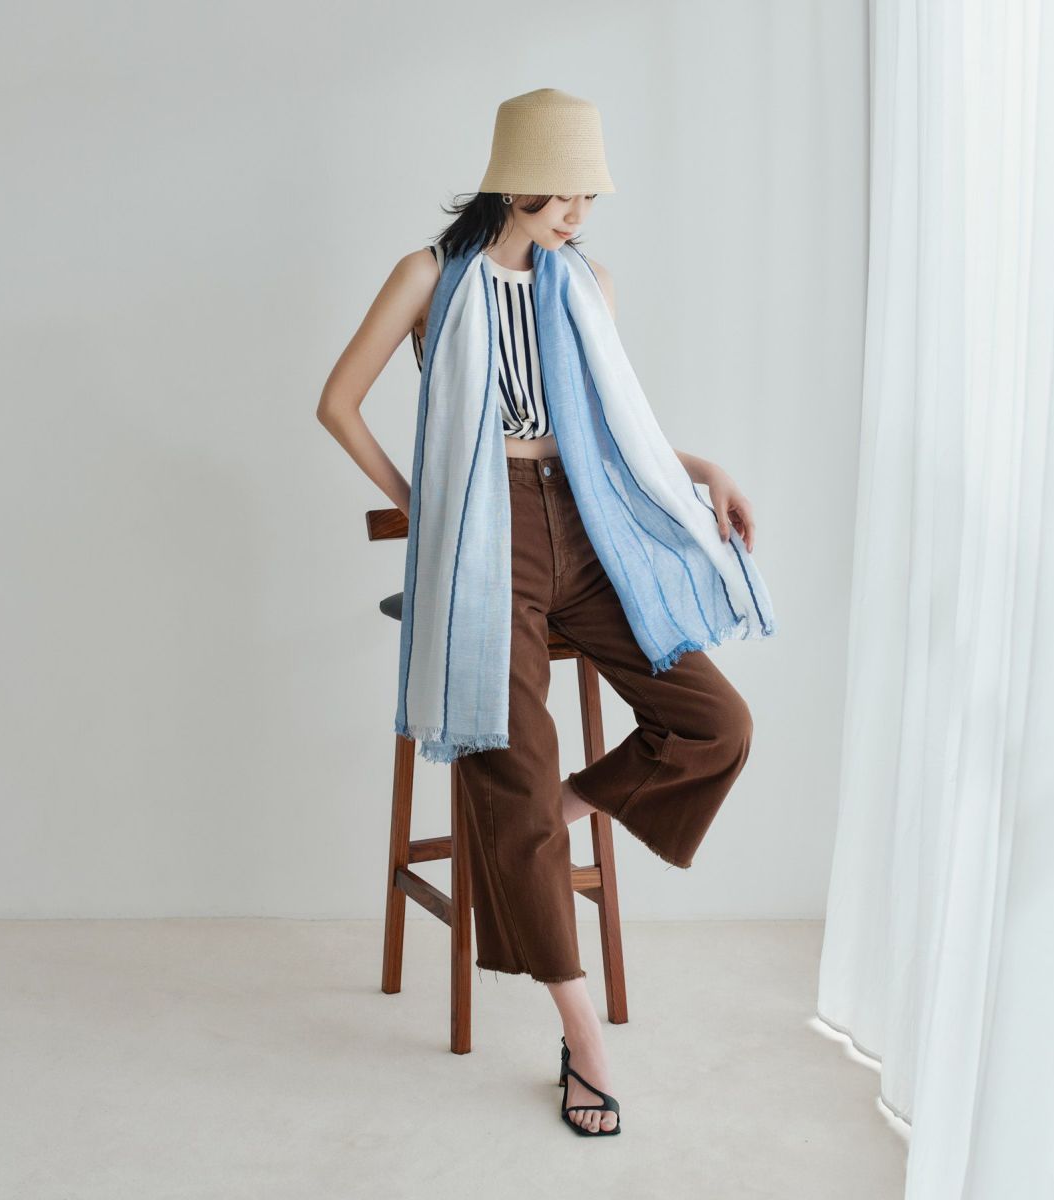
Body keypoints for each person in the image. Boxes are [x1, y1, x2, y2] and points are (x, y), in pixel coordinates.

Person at [317, 88, 760, 1137]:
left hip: (590, 524)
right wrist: (424, 504)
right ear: (517, 183)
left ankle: (547, 812)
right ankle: (584, 1040)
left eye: (588, 199)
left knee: (717, 723)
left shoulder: (585, 284)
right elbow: (337, 403)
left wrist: (704, 470)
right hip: (487, 538)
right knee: (505, 760)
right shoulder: (429, 277)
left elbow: (617, 428)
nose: (579, 215)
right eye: (566, 196)